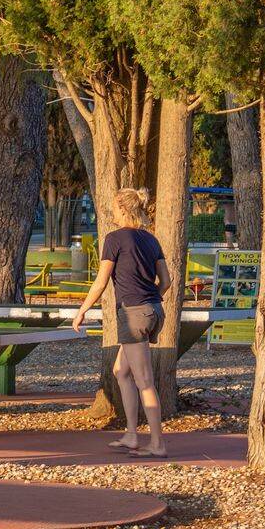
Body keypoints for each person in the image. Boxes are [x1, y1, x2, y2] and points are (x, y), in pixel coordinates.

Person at [72, 188, 173, 458]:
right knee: (121, 370)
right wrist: (151, 300)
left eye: (114, 208)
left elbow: (101, 281)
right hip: (153, 310)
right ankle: (131, 434)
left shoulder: (115, 238)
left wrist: (82, 310)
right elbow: (167, 282)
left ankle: (157, 443)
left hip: (133, 313)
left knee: (144, 380)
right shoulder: (151, 240)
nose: (112, 212)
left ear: (123, 209)